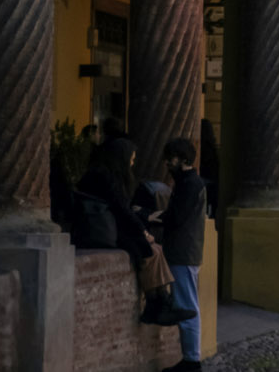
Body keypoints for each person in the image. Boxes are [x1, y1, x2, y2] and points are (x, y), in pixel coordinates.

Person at [74, 138, 178, 325]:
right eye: (131, 159)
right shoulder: (105, 178)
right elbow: (122, 210)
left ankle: (162, 299)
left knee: (157, 250)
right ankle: (156, 302)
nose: (132, 163)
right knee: (151, 250)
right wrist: (143, 232)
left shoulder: (103, 175)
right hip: (103, 231)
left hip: (109, 227)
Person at [159, 138, 206, 371]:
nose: (167, 163)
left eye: (172, 158)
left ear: (183, 159)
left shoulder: (190, 184)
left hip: (184, 252)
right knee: (186, 303)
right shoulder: (187, 182)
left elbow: (177, 217)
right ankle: (190, 359)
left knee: (187, 306)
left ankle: (192, 361)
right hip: (184, 250)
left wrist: (153, 216)